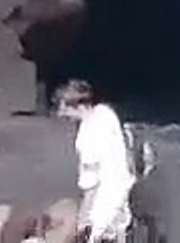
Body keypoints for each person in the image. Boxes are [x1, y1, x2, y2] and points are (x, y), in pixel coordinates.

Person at [54, 80, 135, 243]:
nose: (61, 115)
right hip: (121, 191)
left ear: (78, 106)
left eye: (64, 109)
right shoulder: (105, 113)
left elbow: (90, 185)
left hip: (103, 205)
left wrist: (83, 218)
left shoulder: (86, 138)